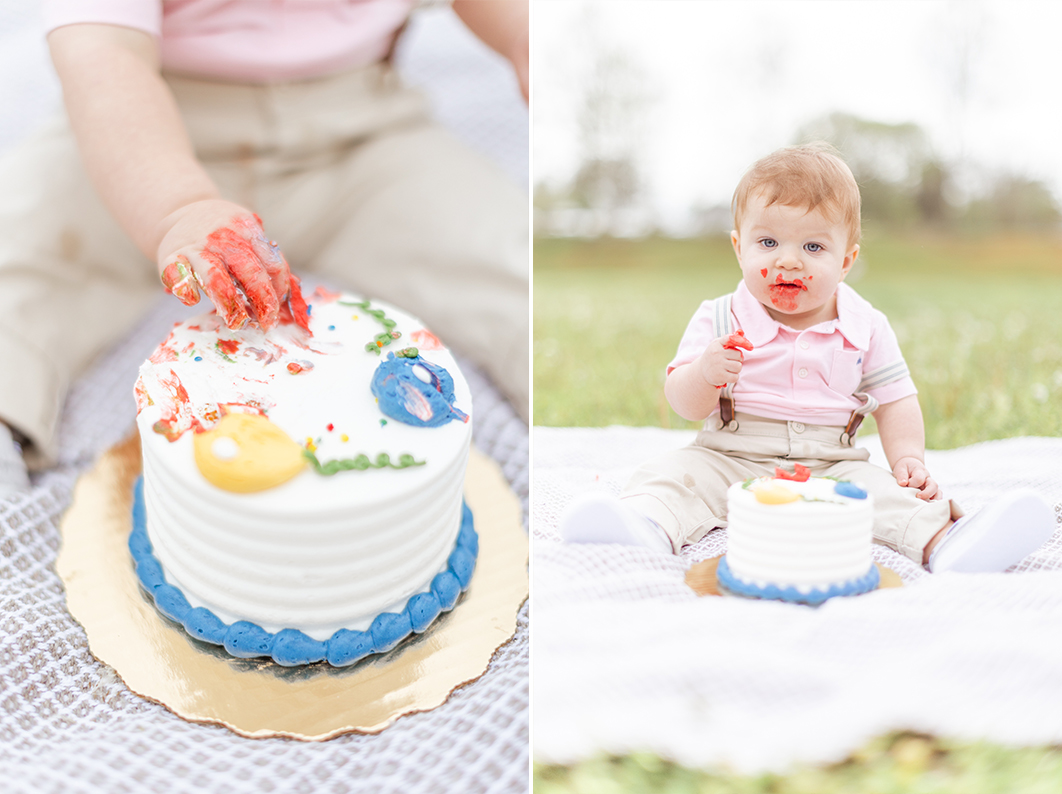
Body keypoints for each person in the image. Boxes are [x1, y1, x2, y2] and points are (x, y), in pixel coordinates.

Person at [0, 0, 529, 500]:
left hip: (363, 129)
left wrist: (527, 37)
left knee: (516, 256)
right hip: (143, 126)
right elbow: (102, 55)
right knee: (23, 252)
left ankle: (581, 425)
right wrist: (179, 205)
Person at [561, 143, 1054, 573]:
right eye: (768, 242)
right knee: (674, 475)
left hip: (832, 462)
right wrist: (704, 375)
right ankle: (642, 525)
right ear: (739, 248)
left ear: (846, 261)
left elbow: (896, 399)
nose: (788, 260)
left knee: (886, 496)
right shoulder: (720, 317)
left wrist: (908, 459)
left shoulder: (865, 327)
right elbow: (682, 402)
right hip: (729, 454)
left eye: (813, 246)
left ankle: (948, 542)